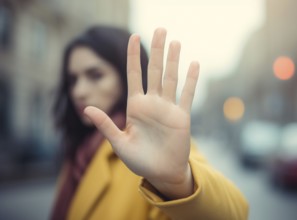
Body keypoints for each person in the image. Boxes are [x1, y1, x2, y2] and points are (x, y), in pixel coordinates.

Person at [50, 25, 249, 220]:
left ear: (125, 77)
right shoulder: (79, 152)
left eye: (95, 76)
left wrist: (178, 183)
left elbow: (236, 214)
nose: (79, 91)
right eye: (73, 80)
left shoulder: (151, 147)